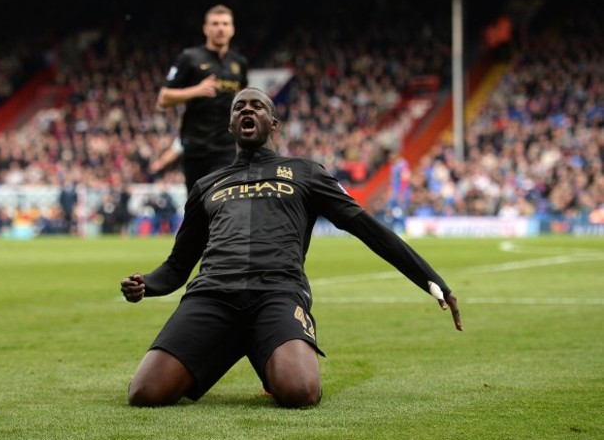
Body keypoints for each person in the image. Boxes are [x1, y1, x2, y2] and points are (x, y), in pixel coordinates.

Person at [120, 88, 462, 409]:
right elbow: (178, 267)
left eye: (257, 105)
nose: (247, 109)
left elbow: (366, 227)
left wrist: (431, 281)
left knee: (300, 392)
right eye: (239, 106)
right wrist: (146, 284)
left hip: (277, 294)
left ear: (273, 123)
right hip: (213, 296)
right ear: (231, 125)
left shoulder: (306, 173)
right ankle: (253, 348)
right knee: (145, 393)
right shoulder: (207, 185)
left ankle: (267, 351)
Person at [151, 4, 248, 192]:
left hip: (227, 146)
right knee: (198, 207)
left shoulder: (239, 63)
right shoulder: (190, 58)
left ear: (232, 29)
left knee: (222, 198)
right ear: (206, 28)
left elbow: (243, 98)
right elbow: (163, 98)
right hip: (196, 147)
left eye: (225, 24)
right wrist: (197, 90)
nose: (220, 28)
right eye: (215, 23)